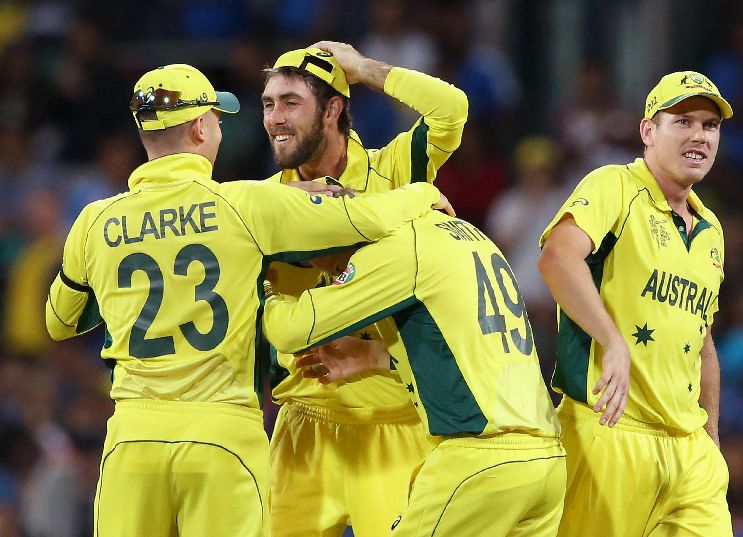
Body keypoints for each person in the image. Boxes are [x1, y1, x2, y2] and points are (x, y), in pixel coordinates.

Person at [44, 63, 450, 537]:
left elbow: (59, 323)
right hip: (222, 437)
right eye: (217, 118)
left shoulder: (94, 221)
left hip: (133, 439)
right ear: (199, 128)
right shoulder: (246, 204)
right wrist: (420, 194)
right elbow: (368, 220)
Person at [261, 41, 468, 536]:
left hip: (393, 423)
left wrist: (365, 69)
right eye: (268, 104)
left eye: (291, 103)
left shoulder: (397, 171)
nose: (275, 118)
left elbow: (451, 109)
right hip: (302, 427)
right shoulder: (263, 201)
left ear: (333, 109)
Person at [262, 210, 566, 537]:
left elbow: (291, 332)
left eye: (335, 267)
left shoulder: (395, 251)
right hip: (545, 458)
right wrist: (377, 356)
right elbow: (463, 339)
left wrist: (267, 292)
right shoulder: (463, 233)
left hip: (479, 457)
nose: (334, 275)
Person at [538, 71, 735, 536]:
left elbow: (701, 343)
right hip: (608, 433)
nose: (699, 136)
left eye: (710, 125)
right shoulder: (615, 186)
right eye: (682, 121)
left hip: (690, 454)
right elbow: (557, 258)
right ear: (648, 131)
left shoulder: (712, 229)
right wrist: (613, 341)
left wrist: (712, 446)